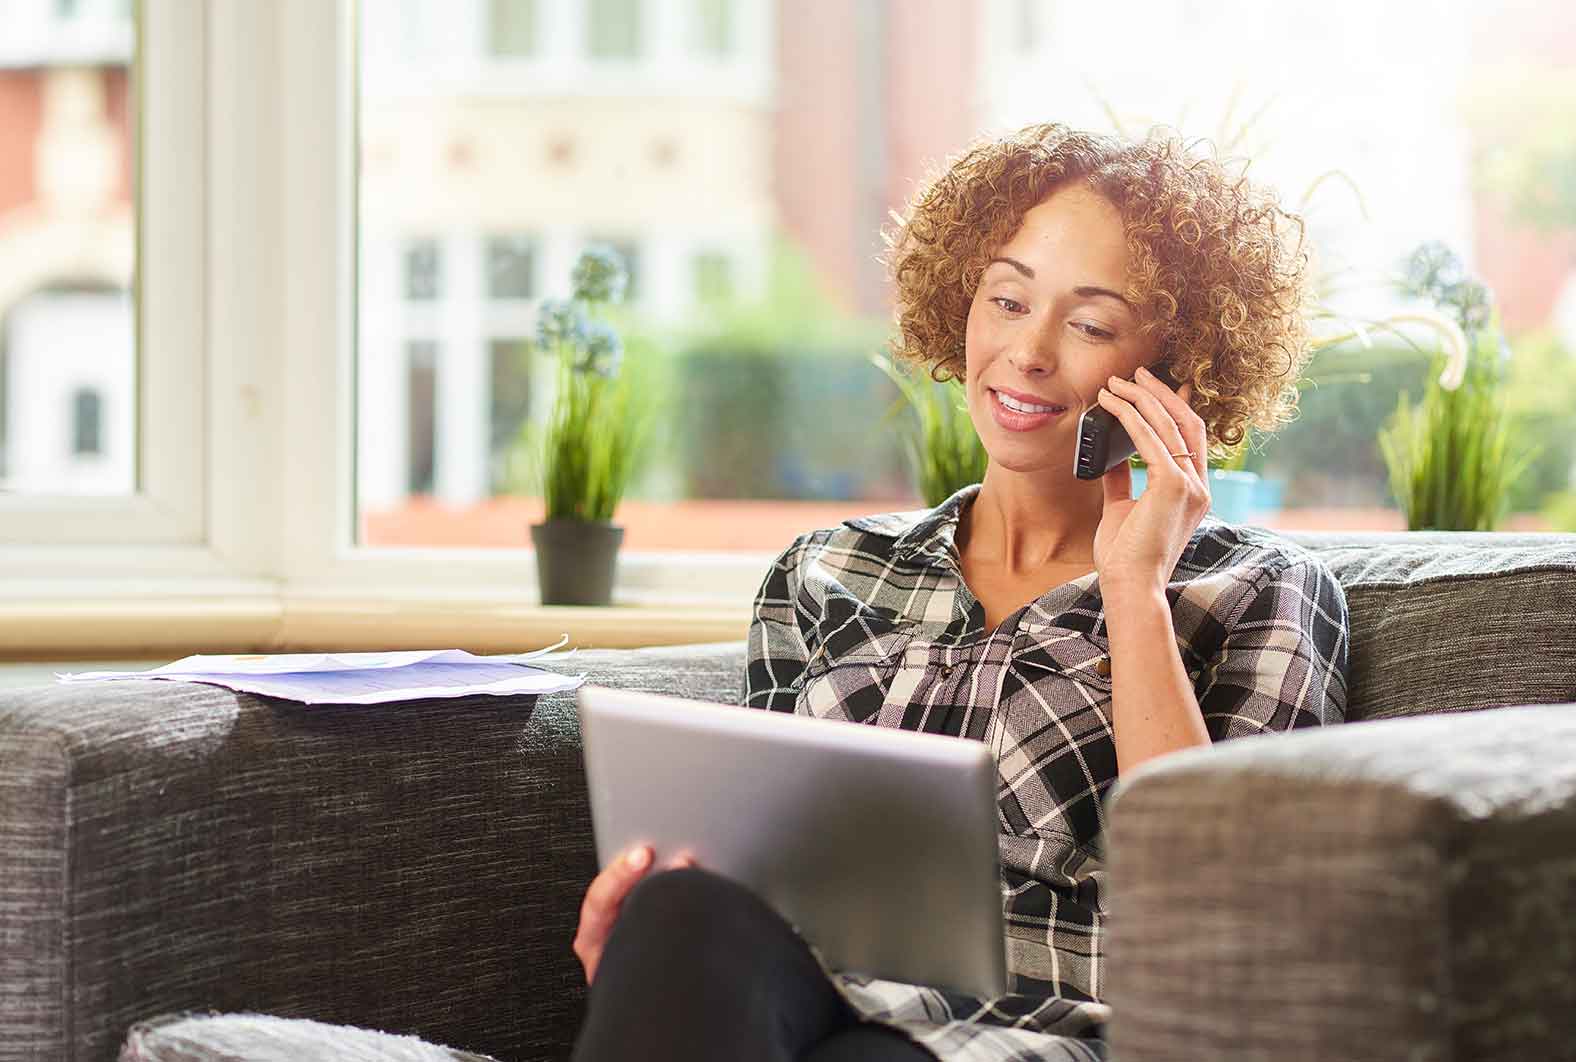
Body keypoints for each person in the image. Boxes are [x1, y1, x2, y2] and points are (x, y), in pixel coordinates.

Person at [569, 122, 1350, 1061]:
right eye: (1008, 300)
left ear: (1179, 368)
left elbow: (1219, 903)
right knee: (680, 910)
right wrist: (658, 953)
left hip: (1055, 1035)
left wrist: (1133, 589)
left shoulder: (1259, 589)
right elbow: (762, 872)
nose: (1028, 352)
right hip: (812, 1000)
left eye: (1090, 324)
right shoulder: (827, 573)